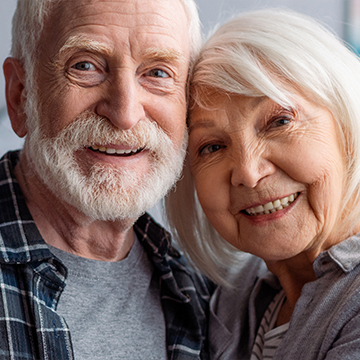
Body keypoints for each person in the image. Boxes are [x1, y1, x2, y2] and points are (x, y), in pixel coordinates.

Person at [0, 0, 213, 359]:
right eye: (85, 66)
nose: (126, 113)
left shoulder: (202, 293)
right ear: (21, 97)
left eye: (158, 72)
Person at [166, 8, 360, 359]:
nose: (248, 172)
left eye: (279, 121)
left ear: (347, 123)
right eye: (212, 146)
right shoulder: (234, 298)